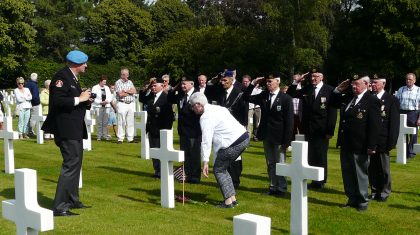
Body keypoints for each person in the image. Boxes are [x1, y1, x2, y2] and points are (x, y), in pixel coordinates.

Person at [41, 50, 92, 216]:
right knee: (70, 165)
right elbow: (58, 102)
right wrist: (80, 99)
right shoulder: (61, 77)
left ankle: (72, 200)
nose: (86, 65)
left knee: (76, 164)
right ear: (76, 64)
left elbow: (74, 99)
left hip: (74, 127)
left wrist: (85, 98)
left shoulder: (72, 78)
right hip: (66, 128)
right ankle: (60, 206)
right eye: (84, 63)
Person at [189, 92, 249, 208]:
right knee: (223, 168)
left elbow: (206, 140)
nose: (192, 109)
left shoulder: (205, 117)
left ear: (198, 105)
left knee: (219, 170)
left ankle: (228, 202)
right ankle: (232, 199)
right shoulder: (218, 108)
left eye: (192, 106)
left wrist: (205, 161)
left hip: (232, 142)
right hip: (243, 138)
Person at [332, 75, 381, 211]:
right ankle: (352, 198)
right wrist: (337, 90)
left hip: (360, 144)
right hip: (346, 143)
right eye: (353, 84)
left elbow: (374, 126)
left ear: (366, 84)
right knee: (347, 173)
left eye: (357, 84)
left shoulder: (372, 101)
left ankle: (362, 201)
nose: (353, 86)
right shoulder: (350, 97)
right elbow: (333, 104)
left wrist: (371, 145)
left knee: (360, 174)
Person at [244, 74, 294, 197]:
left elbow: (289, 121)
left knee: (280, 163)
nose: (268, 83)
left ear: (277, 82)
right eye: (266, 82)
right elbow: (246, 97)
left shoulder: (285, 98)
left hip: (279, 136)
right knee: (270, 163)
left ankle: (282, 188)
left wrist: (287, 140)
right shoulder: (264, 95)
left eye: (270, 81)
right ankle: (273, 186)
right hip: (266, 135)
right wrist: (253, 84)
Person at [287, 70, 337, 189]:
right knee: (310, 155)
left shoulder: (329, 90)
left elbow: (332, 112)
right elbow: (290, 94)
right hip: (307, 128)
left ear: (322, 77)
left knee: (320, 155)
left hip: (321, 129)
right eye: (312, 76)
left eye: (316, 76)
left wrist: (330, 131)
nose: (313, 78)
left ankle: (321, 181)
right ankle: (314, 180)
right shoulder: (307, 89)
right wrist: (296, 82)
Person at [213, 71, 248, 189]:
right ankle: (227, 179)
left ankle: (235, 180)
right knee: (224, 154)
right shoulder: (221, 93)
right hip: (223, 129)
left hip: (235, 129)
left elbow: (244, 111)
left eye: (225, 81)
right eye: (222, 80)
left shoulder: (239, 93)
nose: (223, 83)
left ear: (232, 80)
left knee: (235, 156)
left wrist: (243, 127)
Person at [368, 75, 399, 202]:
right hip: (370, 140)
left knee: (384, 168)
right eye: (372, 82)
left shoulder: (391, 100)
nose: (373, 84)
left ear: (383, 84)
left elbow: (394, 124)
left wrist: (391, 142)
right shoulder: (369, 98)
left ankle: (385, 192)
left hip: (383, 140)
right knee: (372, 168)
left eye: (375, 82)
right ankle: (374, 191)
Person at [168, 77, 202, 183]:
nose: (182, 86)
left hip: (193, 129)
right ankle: (187, 173)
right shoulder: (182, 94)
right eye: (181, 84)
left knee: (194, 154)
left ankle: (195, 176)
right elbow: (170, 98)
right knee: (185, 154)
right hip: (183, 130)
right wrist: (176, 87)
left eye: (184, 84)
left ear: (191, 84)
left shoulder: (198, 95)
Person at [138, 77, 174, 178]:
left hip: (161, 129)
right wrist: (148, 87)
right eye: (152, 86)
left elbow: (169, 117)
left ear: (162, 86)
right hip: (152, 128)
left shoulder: (166, 97)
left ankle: (162, 171)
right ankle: (157, 170)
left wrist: (165, 130)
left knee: (161, 151)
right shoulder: (151, 97)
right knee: (154, 151)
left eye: (155, 85)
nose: (153, 87)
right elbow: (141, 98)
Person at [395, 73, 420, 160]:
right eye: (407, 79)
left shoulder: (418, 90)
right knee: (402, 133)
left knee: (413, 134)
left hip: (414, 113)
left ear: (414, 80)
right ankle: (404, 152)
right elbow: (396, 103)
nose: (408, 81)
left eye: (410, 79)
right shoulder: (401, 89)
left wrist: (419, 118)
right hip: (402, 112)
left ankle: (411, 153)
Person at [115, 68, 137, 144]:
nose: (126, 76)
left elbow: (134, 91)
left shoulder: (130, 82)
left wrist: (126, 91)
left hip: (131, 103)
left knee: (130, 122)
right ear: (121, 75)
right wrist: (130, 92)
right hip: (122, 103)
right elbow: (120, 94)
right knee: (121, 121)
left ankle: (130, 138)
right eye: (125, 74)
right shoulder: (118, 82)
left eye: (127, 74)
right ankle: (120, 138)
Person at [91, 75, 113, 141]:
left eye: (105, 82)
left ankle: (105, 135)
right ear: (100, 81)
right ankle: (99, 136)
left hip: (106, 106)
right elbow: (93, 97)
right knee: (99, 122)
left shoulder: (107, 88)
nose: (105, 83)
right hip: (98, 106)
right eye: (104, 82)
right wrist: (100, 102)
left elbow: (110, 96)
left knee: (105, 122)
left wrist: (107, 101)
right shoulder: (95, 87)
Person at [243, 75, 262, 141]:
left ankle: (256, 135)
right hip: (249, 108)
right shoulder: (242, 88)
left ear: (250, 81)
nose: (245, 83)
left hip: (257, 108)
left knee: (257, 123)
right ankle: (247, 137)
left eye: (246, 81)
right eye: (244, 81)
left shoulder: (256, 89)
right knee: (249, 123)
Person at [25, 72, 40, 137]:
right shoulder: (34, 85)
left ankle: (28, 130)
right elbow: (35, 96)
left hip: (28, 103)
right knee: (33, 118)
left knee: (29, 118)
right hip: (34, 104)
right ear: (36, 78)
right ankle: (30, 131)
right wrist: (37, 102)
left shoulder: (27, 84)